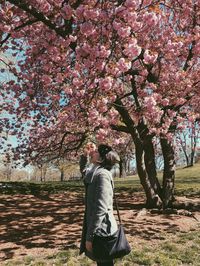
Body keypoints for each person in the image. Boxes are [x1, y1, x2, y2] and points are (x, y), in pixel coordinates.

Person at [80, 144, 121, 266]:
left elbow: (101, 209)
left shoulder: (102, 175)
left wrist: (90, 236)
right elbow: (84, 172)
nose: (93, 152)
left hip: (103, 230)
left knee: (105, 263)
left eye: (96, 151)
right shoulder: (95, 172)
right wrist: (84, 156)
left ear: (101, 159)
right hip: (98, 228)